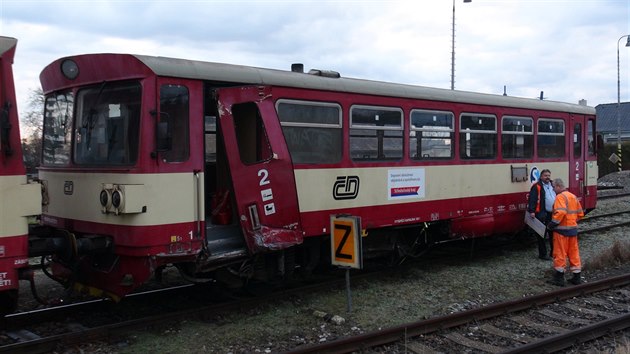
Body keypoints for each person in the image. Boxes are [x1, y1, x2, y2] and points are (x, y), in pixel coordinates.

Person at [546, 178, 584, 286]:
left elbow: (561, 212)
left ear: (558, 186)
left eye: (553, 187)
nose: (553, 190)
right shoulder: (573, 196)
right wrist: (572, 222)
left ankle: (559, 278)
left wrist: (552, 224)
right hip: (572, 230)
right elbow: (580, 214)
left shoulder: (560, 197)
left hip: (561, 231)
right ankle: (576, 277)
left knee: (560, 254)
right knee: (574, 254)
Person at [527, 169, 555, 260]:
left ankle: (553, 253)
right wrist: (532, 211)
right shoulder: (537, 186)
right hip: (542, 213)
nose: (547, 177)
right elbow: (532, 199)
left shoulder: (553, 184)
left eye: (548, 175)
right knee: (541, 235)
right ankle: (543, 254)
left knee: (553, 234)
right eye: (545, 175)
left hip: (553, 213)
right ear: (541, 177)